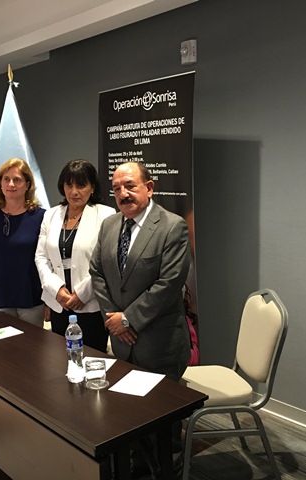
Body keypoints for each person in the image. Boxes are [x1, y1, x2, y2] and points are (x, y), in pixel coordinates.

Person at [89, 161, 191, 478]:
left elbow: (169, 284)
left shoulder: (172, 227)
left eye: (130, 185)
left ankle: (168, 470)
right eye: (117, 188)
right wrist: (114, 319)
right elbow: (97, 272)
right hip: (123, 343)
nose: (123, 193)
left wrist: (129, 320)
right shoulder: (109, 225)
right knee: (130, 414)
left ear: (149, 187)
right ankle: (137, 466)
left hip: (160, 344)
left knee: (163, 421)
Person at [35, 160, 115, 351]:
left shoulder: (106, 215)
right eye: (69, 185)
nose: (74, 192)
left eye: (81, 185)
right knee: (60, 358)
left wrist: (82, 293)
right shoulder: (51, 215)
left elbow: (106, 262)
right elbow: (41, 257)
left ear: (92, 187)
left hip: (91, 304)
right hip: (59, 303)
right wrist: (56, 289)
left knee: (93, 358)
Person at [0, 158, 45, 326]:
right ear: (0, 184)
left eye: (17, 180)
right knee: (2, 342)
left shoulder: (40, 216)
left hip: (31, 297)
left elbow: (47, 260)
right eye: (6, 179)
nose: (11, 184)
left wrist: (49, 300)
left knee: (31, 342)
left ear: (28, 185)